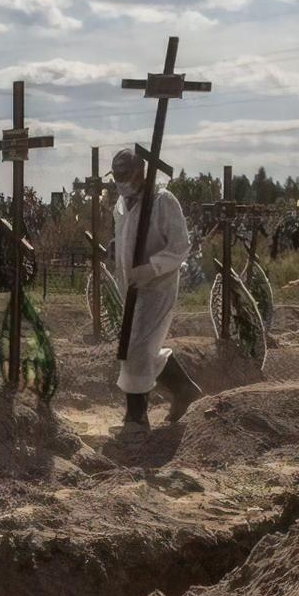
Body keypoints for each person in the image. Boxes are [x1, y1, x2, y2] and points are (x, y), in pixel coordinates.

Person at [110, 147, 202, 435]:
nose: (122, 181)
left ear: (141, 173)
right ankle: (184, 389)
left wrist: (151, 268)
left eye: (126, 175)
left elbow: (179, 247)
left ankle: (136, 419)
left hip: (157, 288)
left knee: (135, 349)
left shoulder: (162, 201)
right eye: (117, 176)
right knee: (138, 347)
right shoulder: (121, 204)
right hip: (131, 288)